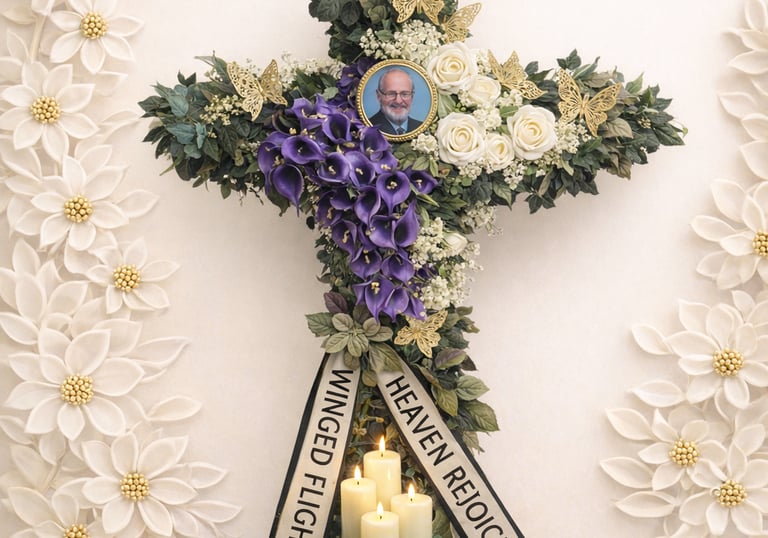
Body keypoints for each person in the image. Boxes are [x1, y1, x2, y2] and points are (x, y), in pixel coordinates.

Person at [369, 68, 422, 136]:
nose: (398, 101)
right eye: (391, 94)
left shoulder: (420, 127)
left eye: (405, 94)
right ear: (379, 96)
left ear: (412, 96)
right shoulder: (369, 126)